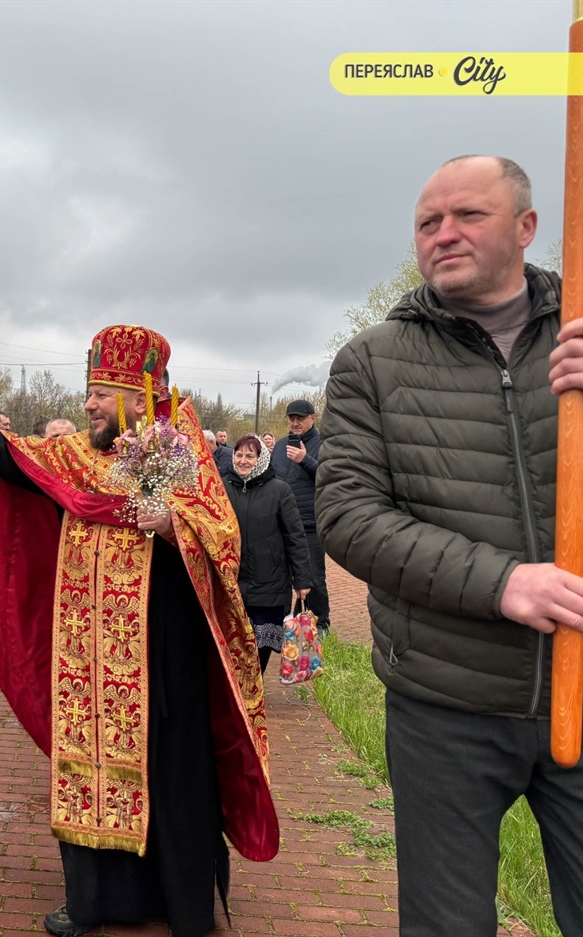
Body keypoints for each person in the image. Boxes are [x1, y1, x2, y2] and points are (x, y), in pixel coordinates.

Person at [0, 324, 277, 937]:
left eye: (101, 394)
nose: (88, 405)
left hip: (166, 659)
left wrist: (173, 525)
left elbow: (225, 538)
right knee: (90, 765)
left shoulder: (183, 450)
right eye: (89, 392)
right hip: (90, 659)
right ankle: (96, 901)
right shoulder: (78, 455)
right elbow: (14, 459)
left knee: (173, 772)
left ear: (141, 396)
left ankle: (183, 904)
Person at [318, 154, 583, 935]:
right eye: (428, 222)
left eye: (468, 214)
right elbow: (349, 516)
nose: (444, 233)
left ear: (527, 226)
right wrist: (504, 582)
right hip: (444, 704)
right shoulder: (373, 362)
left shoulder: (578, 336)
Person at [221, 435, 311, 674]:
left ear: (261, 459)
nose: (243, 461)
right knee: (232, 644)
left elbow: (295, 536)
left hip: (268, 584)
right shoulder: (221, 488)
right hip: (231, 582)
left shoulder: (279, 490)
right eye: (239, 455)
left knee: (260, 646)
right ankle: (236, 689)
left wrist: (302, 579)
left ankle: (256, 686)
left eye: (250, 456)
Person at [270, 400, 327, 633]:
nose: (295, 423)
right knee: (281, 576)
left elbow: (330, 477)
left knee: (313, 578)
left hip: (309, 524)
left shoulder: (324, 444)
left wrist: (306, 460)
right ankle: (286, 624)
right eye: (291, 418)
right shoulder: (280, 446)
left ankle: (320, 626)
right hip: (281, 522)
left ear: (313, 418)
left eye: (300, 419)